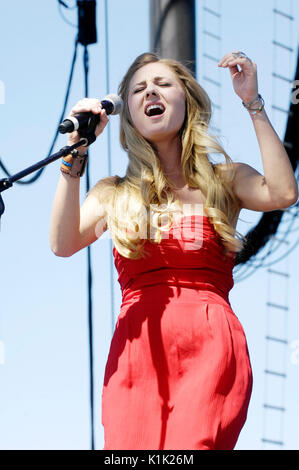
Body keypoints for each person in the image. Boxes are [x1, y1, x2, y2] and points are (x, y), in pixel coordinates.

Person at [50, 51, 298, 450]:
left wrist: (252, 103)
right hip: (137, 349)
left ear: (188, 100)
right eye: (138, 89)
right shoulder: (115, 192)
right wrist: (74, 155)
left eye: (162, 84)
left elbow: (284, 192)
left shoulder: (224, 179)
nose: (151, 91)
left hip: (209, 344)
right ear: (128, 113)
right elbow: (62, 244)